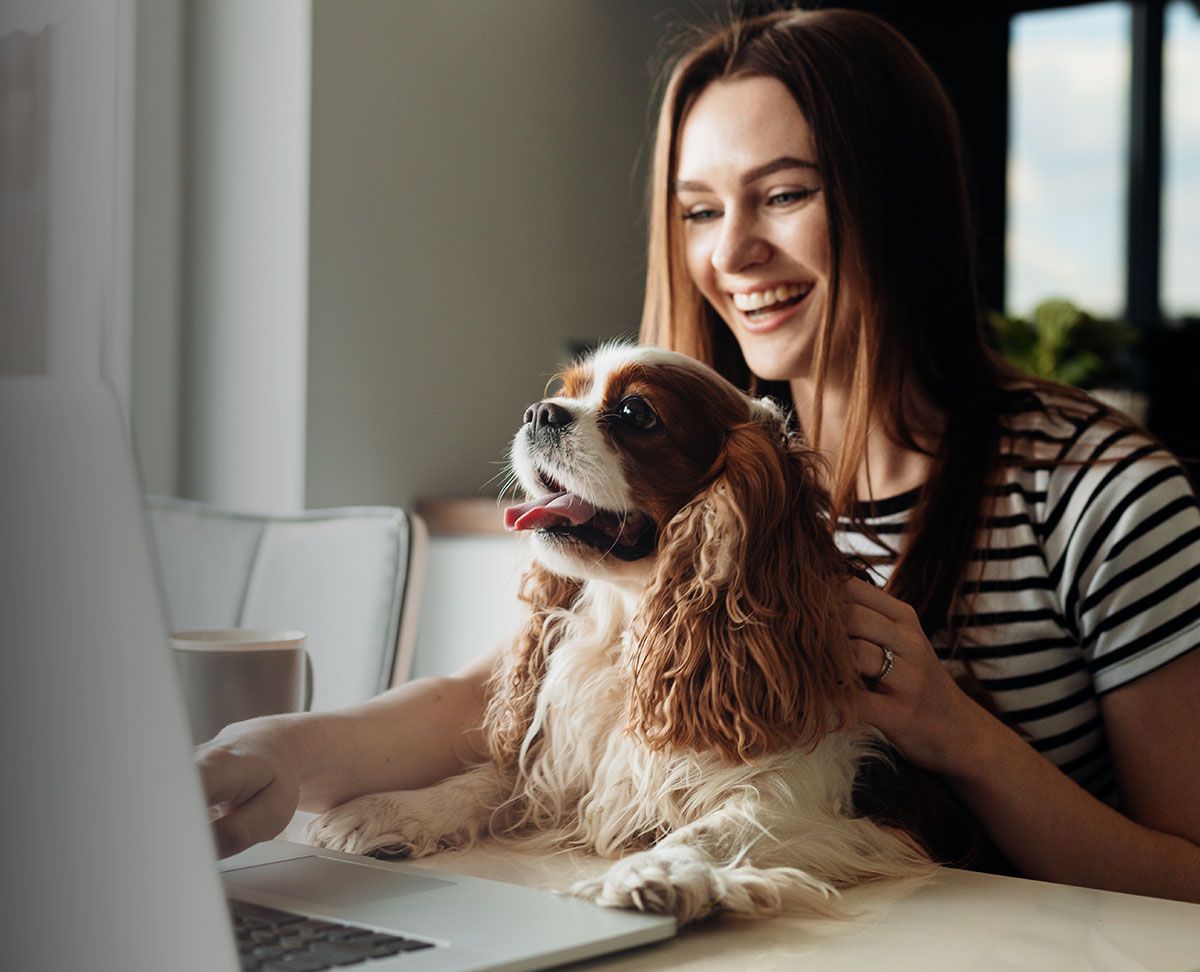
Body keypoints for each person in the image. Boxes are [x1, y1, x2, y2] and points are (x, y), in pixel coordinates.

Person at [197, 8, 1200, 900]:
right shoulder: (701, 467)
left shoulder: (1104, 497)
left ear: (903, 203)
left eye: (785, 194)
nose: (730, 253)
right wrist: (279, 751)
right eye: (700, 211)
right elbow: (482, 702)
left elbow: (1190, 877)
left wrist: (963, 737)